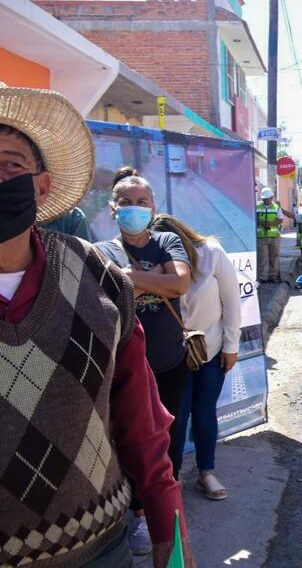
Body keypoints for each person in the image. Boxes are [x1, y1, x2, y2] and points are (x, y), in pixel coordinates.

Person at [0, 86, 194, 567]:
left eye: (10, 164)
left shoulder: (98, 278)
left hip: (100, 550)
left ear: (42, 187)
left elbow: (142, 427)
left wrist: (171, 534)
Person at [94, 174, 193, 555]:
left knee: (169, 440)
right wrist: (158, 278)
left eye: (142, 200)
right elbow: (112, 291)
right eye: (126, 200)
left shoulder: (167, 241)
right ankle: (137, 513)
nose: (135, 207)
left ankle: (170, 514)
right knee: (131, 442)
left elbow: (181, 284)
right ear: (113, 207)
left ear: (153, 206)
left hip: (170, 361)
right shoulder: (101, 250)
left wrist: (132, 278)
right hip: (126, 367)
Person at [151, 215, 241, 501]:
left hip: (211, 351)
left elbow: (232, 302)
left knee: (204, 412)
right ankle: (172, 480)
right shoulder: (153, 265)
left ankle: (206, 473)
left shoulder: (212, 254)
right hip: (173, 356)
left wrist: (231, 346)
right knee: (176, 418)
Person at [256, 187, 294, 283]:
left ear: (271, 197)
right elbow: (254, 218)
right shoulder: (257, 207)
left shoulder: (276, 207)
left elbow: (280, 219)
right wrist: (262, 222)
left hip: (274, 236)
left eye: (267, 198)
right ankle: (263, 277)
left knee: (275, 256)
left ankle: (274, 276)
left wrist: (270, 224)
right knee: (263, 257)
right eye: (264, 198)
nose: (266, 200)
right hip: (262, 236)